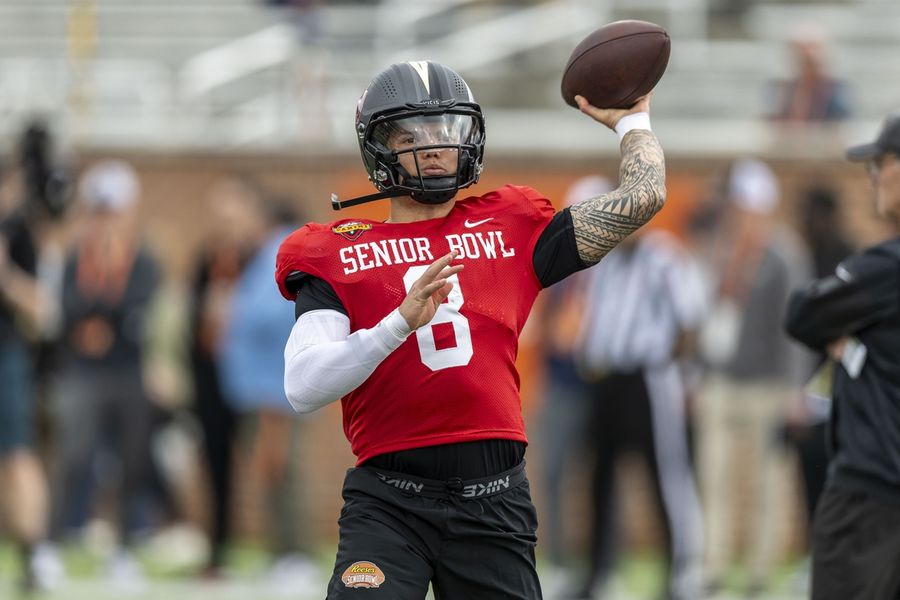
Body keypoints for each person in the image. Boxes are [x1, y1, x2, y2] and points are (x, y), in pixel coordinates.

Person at [275, 61, 667, 598]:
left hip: (494, 500)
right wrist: (398, 324)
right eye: (413, 134)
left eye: (447, 130)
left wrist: (632, 124)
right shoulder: (335, 250)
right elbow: (301, 386)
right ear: (378, 146)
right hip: (388, 503)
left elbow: (642, 198)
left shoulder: (512, 224)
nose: (435, 147)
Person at [784, 111, 900, 599]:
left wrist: (850, 335)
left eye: (882, 163)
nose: (873, 176)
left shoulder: (883, 269)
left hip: (871, 493)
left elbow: (802, 314)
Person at [695, 157, 814, 596]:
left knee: (768, 483)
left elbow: (795, 326)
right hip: (722, 380)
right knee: (715, 478)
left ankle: (761, 569)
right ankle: (715, 565)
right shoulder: (720, 250)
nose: (738, 213)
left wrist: (794, 388)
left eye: (745, 205)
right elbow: (709, 317)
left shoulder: (784, 255)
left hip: (768, 385)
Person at [570, 226, 706, 600]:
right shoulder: (606, 261)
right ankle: (598, 573)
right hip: (608, 379)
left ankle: (683, 574)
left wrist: (686, 379)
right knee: (600, 477)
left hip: (650, 378)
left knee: (667, 474)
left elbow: (690, 321)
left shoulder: (664, 257)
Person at [49, 160, 161, 585]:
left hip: (127, 373)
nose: (104, 222)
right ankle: (51, 544)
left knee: (130, 462)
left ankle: (124, 549)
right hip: (83, 373)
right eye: (98, 212)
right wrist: (98, 314)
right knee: (73, 457)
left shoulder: (143, 259)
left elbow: (134, 309)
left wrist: (97, 317)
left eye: (111, 212)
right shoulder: (76, 256)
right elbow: (67, 308)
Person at [217, 185, 320, 590]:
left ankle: (297, 553)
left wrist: (231, 310)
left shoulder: (283, 250)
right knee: (270, 471)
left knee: (285, 470)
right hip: (260, 388)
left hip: (277, 388)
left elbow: (275, 312)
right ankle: (282, 553)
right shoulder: (259, 257)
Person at [766, 23, 851, 123]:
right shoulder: (779, 89)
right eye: (800, 50)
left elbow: (842, 122)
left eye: (813, 48)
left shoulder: (837, 89)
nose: (807, 55)